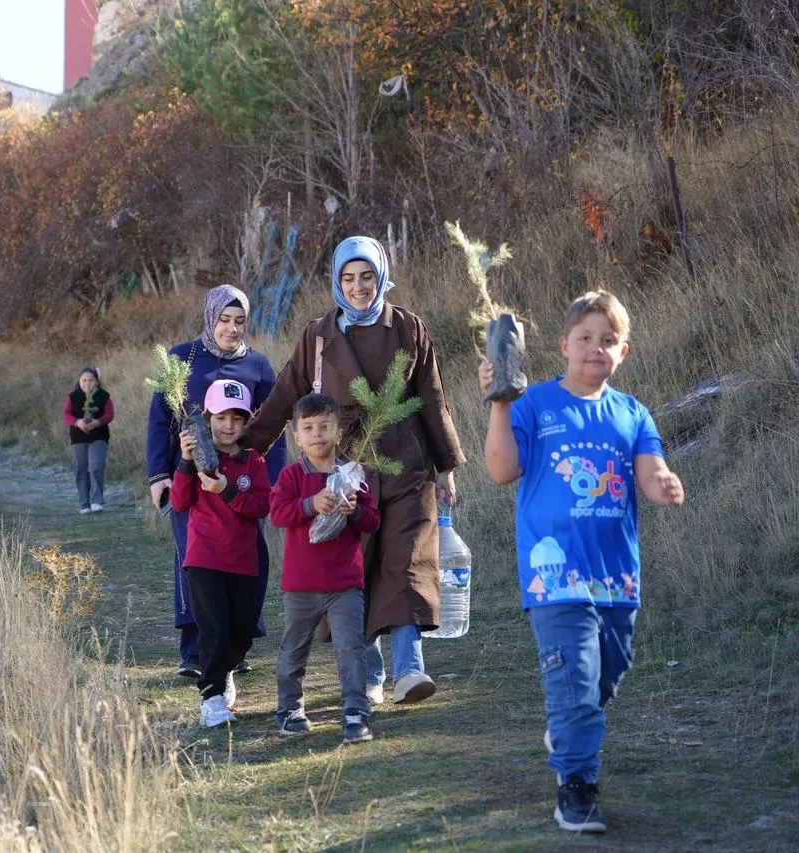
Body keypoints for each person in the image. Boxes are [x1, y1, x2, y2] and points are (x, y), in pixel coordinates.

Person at [479, 290, 683, 833]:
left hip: (617, 576)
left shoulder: (632, 412)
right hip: (555, 578)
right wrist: (499, 402)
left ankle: (570, 728)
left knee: (604, 679)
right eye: (586, 338)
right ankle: (576, 787)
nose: (596, 348)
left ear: (624, 351)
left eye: (608, 341)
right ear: (564, 344)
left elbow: (648, 467)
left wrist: (661, 482)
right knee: (575, 688)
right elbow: (501, 470)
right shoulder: (535, 404)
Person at [243, 237, 465, 707]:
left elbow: (432, 398)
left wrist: (446, 465)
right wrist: (244, 451)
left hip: (406, 462)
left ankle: (409, 671)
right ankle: (368, 674)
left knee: (405, 562)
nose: (359, 287)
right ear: (337, 282)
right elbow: (286, 395)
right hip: (343, 470)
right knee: (356, 570)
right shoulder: (319, 336)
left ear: (381, 275)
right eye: (349, 278)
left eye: (367, 276)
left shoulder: (407, 327)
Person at [145, 284, 286, 679]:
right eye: (224, 320)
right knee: (193, 559)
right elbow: (160, 422)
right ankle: (194, 651)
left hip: (242, 482)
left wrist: (273, 484)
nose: (232, 328)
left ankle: (237, 643)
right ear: (210, 318)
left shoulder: (258, 366)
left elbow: (272, 430)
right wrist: (158, 476)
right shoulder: (181, 358)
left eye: (239, 321)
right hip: (188, 478)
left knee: (247, 558)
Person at [269, 393, 382, 744]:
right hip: (300, 585)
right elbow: (278, 514)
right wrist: (310, 504)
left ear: (338, 432)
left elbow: (373, 521)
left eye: (324, 427)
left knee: (351, 648)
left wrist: (356, 512)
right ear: (296, 436)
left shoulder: (351, 473)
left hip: (344, 583)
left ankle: (355, 712)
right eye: (308, 428)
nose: (317, 434)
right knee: (294, 648)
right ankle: (289, 708)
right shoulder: (291, 476)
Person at [170, 379, 271, 728]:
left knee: (242, 630)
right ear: (208, 417)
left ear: (247, 422)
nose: (229, 426)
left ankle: (225, 670)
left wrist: (228, 491)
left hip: (244, 560)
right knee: (212, 627)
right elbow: (179, 502)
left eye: (237, 418)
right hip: (204, 559)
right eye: (221, 417)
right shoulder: (197, 459)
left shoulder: (253, 461)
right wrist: (185, 462)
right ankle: (211, 698)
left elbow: (262, 506)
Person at [62, 367, 115, 513]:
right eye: (84, 380)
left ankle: (97, 500)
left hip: (99, 436)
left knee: (96, 467)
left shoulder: (104, 396)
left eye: (90, 380)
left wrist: (98, 422)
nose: (87, 383)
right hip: (78, 437)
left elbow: (109, 415)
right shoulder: (73, 397)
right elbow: (66, 415)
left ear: (97, 382)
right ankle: (83, 503)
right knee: (81, 469)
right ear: (79, 381)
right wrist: (77, 422)